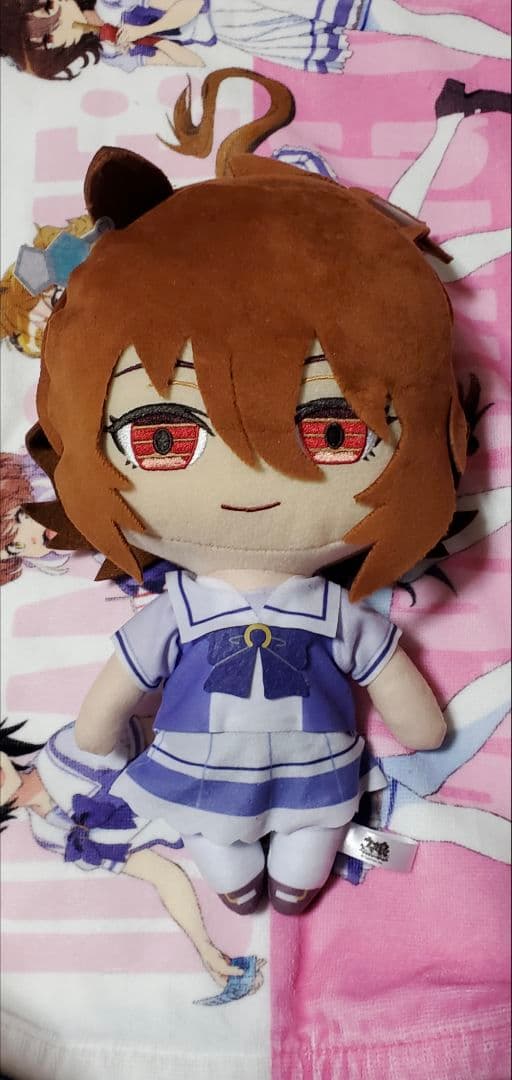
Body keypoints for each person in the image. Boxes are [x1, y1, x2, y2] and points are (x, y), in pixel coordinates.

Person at [25, 69, 466, 915]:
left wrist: (421, 733)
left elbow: (411, 708)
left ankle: (297, 872)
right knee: (218, 847)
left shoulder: (333, 611)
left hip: (321, 777)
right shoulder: (182, 611)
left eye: (333, 433)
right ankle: (234, 869)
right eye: (161, 436)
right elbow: (111, 700)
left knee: (312, 842)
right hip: (194, 775)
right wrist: (93, 739)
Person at [0, 716, 265, 1004]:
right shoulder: (48, 834)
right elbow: (160, 873)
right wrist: (205, 948)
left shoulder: (65, 750)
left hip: (224, 765)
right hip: (215, 832)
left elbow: (165, 727)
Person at [2, 0, 509, 81]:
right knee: (391, 27)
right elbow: (192, 59)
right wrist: (144, 46)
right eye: (44, 37)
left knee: (395, 18)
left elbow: (191, 2)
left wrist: (147, 28)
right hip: (241, 29)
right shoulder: (113, 52)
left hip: (239, 3)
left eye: (45, 8)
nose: (54, 17)